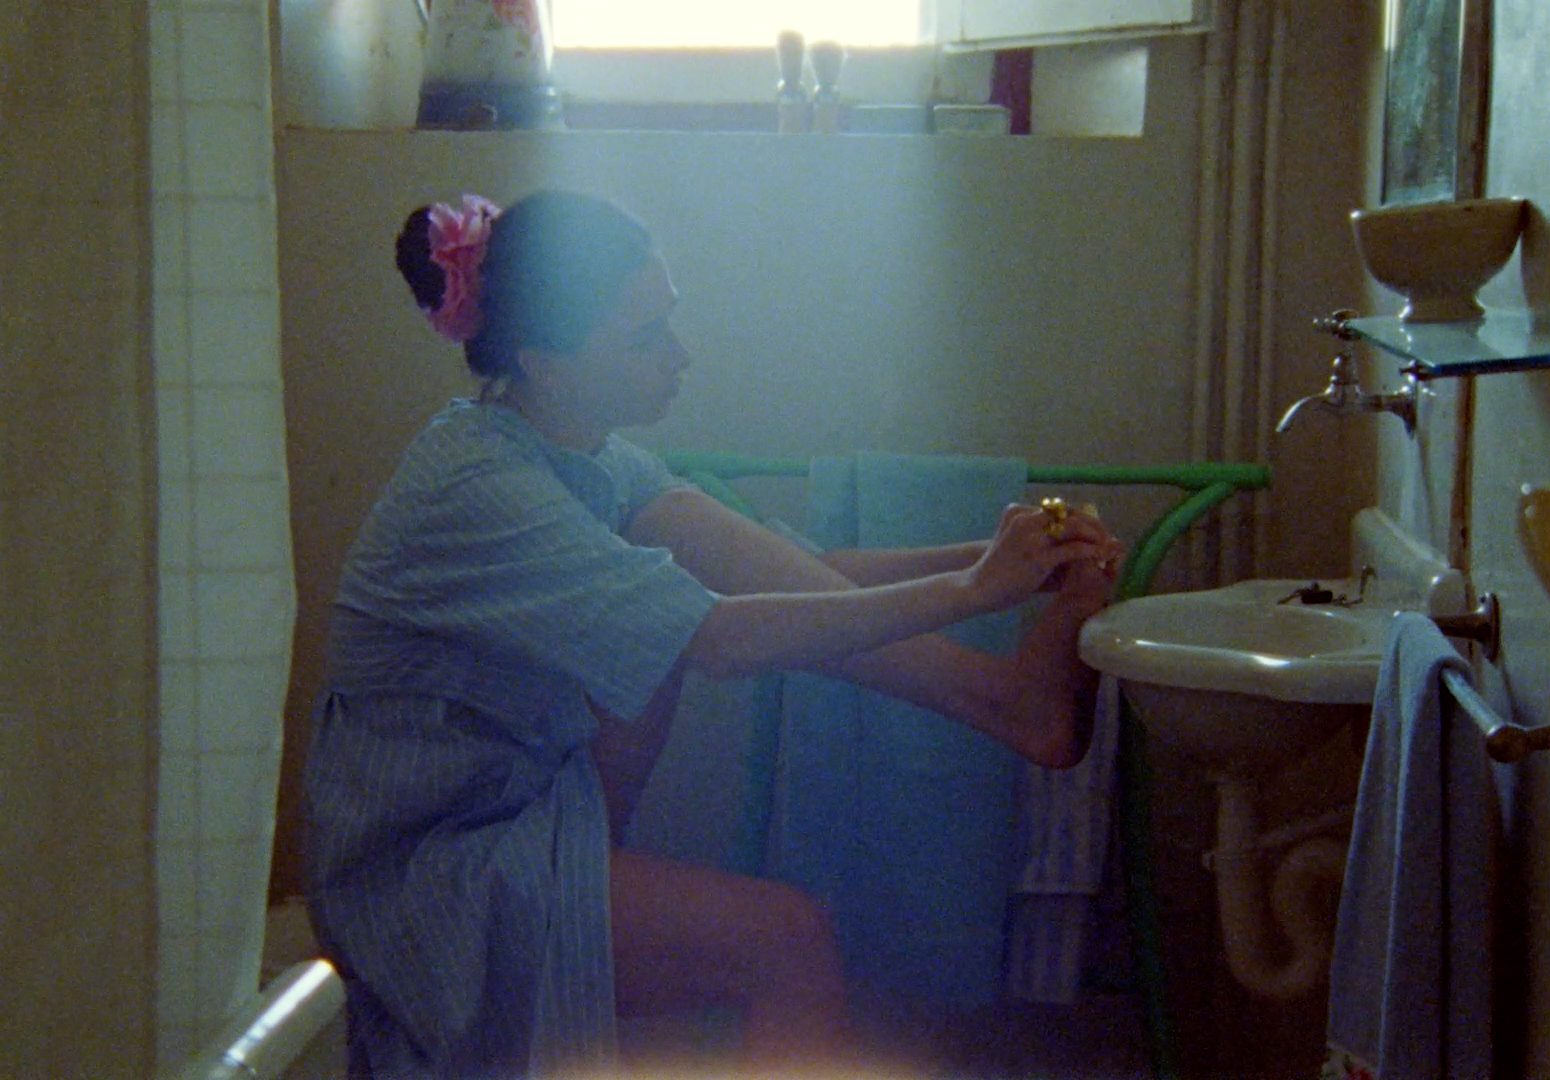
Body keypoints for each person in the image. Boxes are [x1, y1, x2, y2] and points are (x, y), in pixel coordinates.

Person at [304, 189, 1126, 1080]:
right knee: (787, 938)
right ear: (542, 358)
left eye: (671, 324)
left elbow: (794, 569)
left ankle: (1000, 699)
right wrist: (975, 586)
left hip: (524, 815)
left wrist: (1008, 554)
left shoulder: (585, 452)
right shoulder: (475, 486)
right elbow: (720, 639)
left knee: (691, 591)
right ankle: (1000, 698)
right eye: (644, 337)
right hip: (425, 874)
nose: (680, 358)